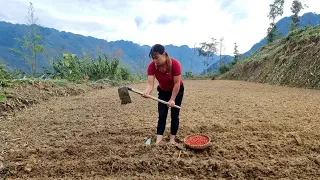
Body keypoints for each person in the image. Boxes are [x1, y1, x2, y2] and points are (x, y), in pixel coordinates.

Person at [142, 44, 184, 145]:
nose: (155, 61)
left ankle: (172, 140)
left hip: (177, 90)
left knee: (175, 115)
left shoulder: (175, 64)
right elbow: (150, 84)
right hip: (163, 91)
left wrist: (172, 99)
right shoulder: (152, 67)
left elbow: (177, 84)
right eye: (153, 58)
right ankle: (158, 140)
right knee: (162, 115)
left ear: (164, 54)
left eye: (157, 58)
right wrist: (147, 92)